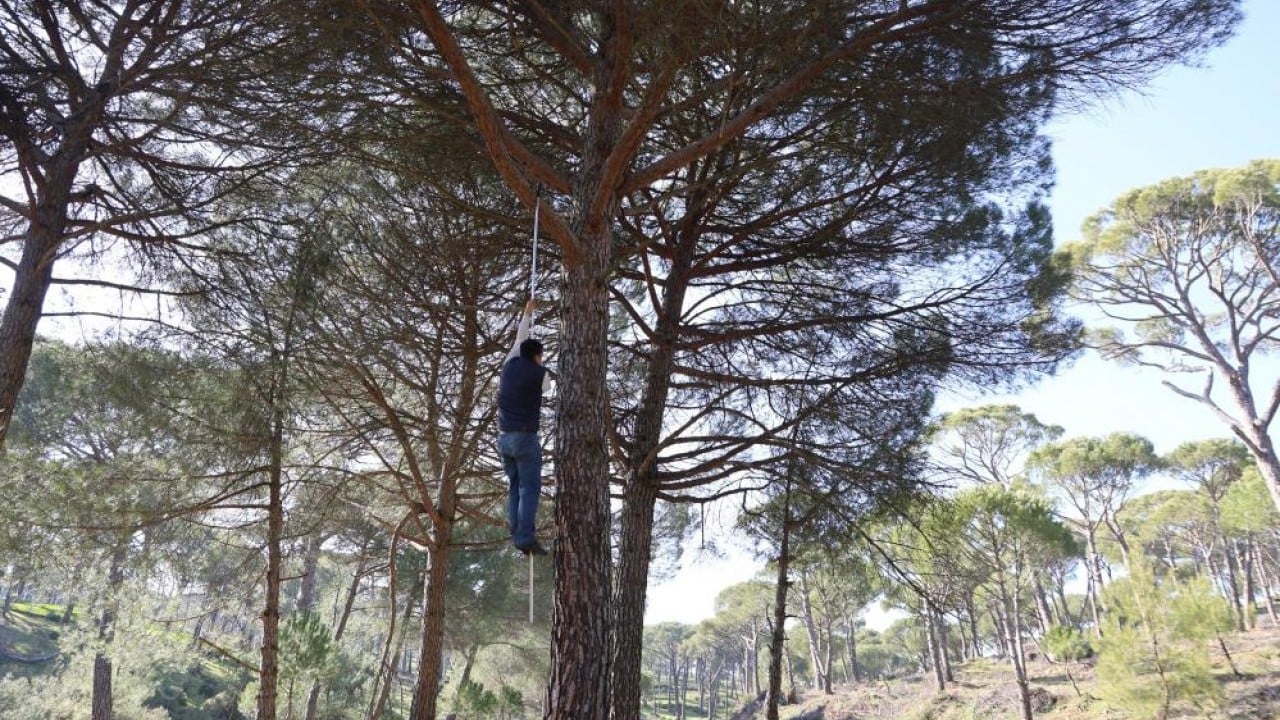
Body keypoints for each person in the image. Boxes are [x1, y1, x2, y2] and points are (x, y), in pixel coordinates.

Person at [498, 298, 552, 555]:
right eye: (541, 357)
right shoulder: (541, 374)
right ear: (537, 356)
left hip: (504, 439)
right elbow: (547, 389)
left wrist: (527, 315)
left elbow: (521, 339)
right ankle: (524, 537)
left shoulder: (509, 364)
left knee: (515, 487)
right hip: (525, 438)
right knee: (529, 488)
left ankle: (517, 529)